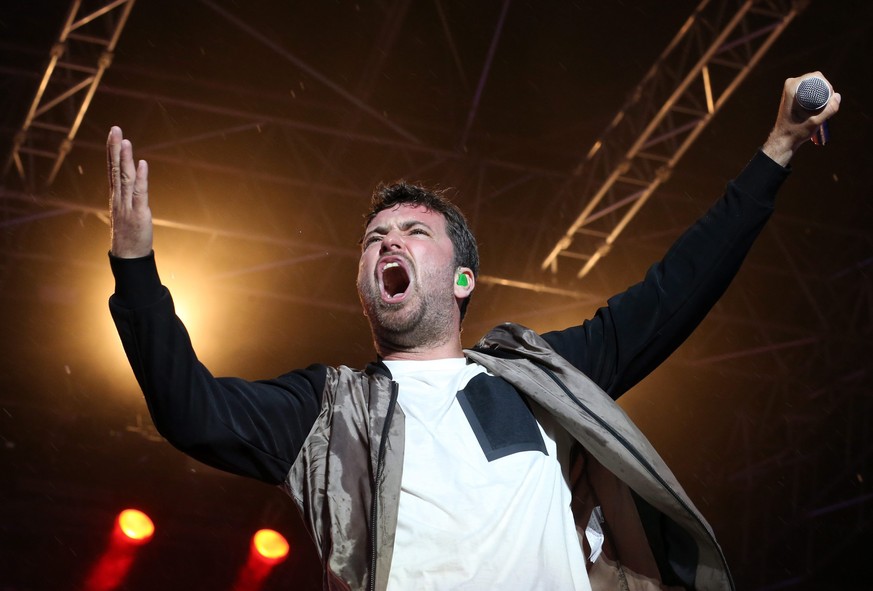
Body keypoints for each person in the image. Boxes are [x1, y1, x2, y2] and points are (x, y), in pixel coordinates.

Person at [106, 73, 839, 591]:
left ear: (462, 278)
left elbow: (672, 294)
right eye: (373, 238)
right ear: (364, 285)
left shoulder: (535, 379)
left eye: (412, 231)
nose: (387, 242)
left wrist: (774, 149)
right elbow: (190, 409)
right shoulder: (327, 410)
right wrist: (135, 265)